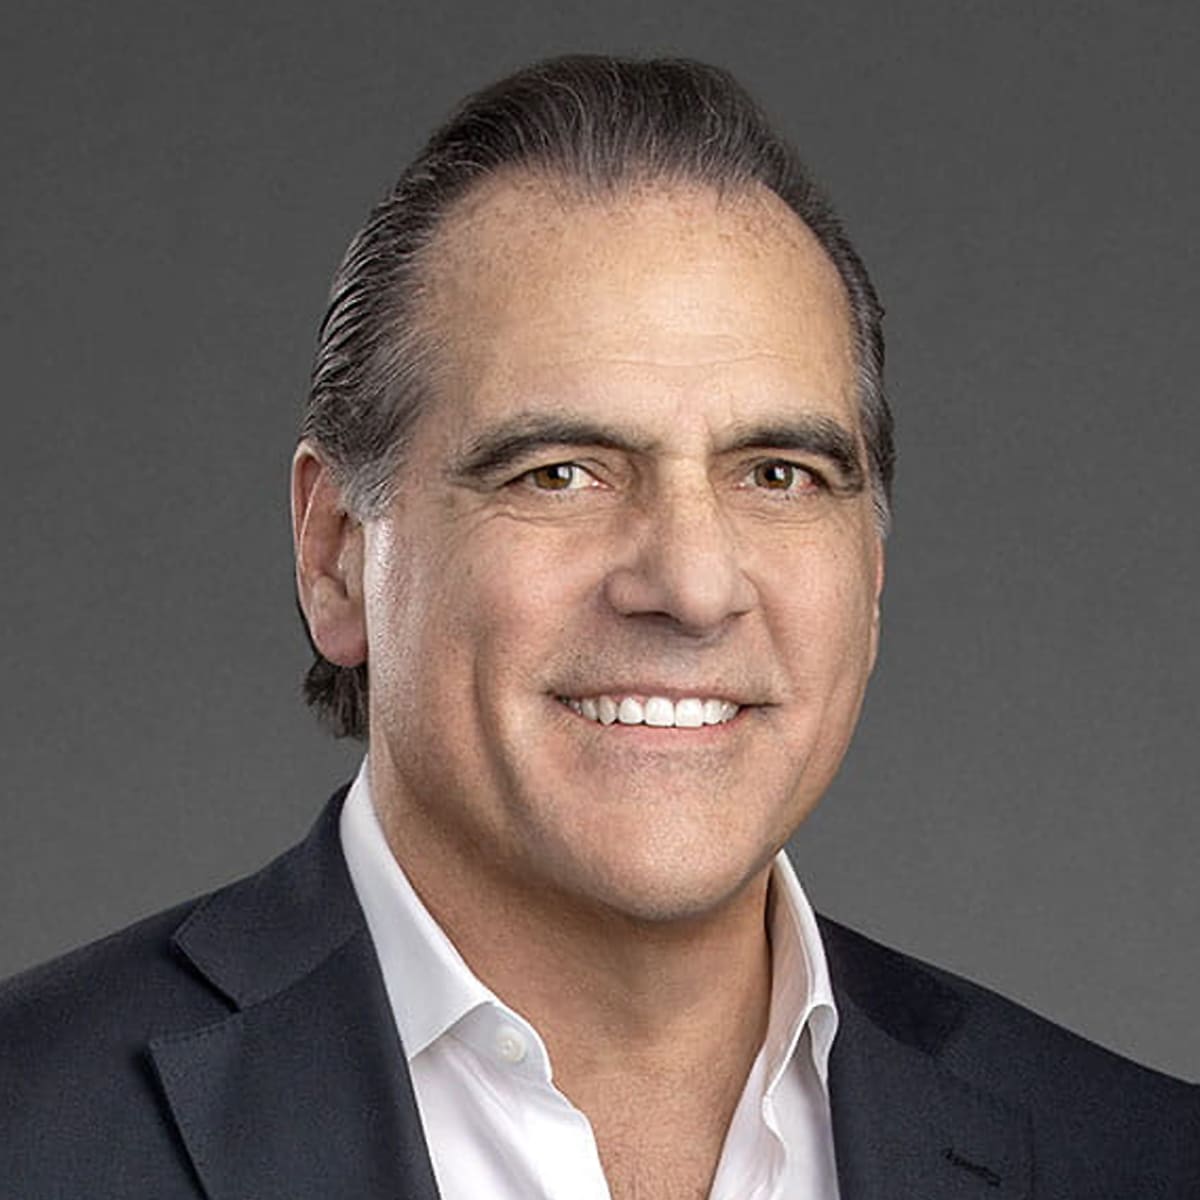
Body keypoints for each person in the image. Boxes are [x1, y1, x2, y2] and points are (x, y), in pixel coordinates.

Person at [1, 54, 1196, 1200]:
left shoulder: (1142, 1159)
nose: (693, 584)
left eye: (778, 475)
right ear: (336, 554)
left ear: (870, 571)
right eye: (560, 473)